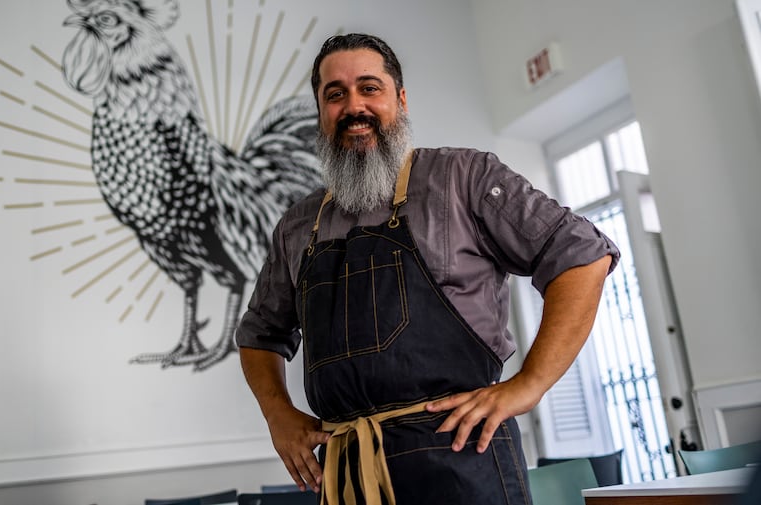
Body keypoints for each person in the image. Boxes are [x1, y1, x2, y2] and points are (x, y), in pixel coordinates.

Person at [236, 33, 620, 505]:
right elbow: (258, 334)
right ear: (321, 112)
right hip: (348, 475)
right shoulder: (298, 225)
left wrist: (530, 385)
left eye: (369, 88)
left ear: (400, 99)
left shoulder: (463, 179)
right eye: (335, 95)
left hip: (463, 462)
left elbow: (582, 253)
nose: (353, 106)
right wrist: (279, 416)